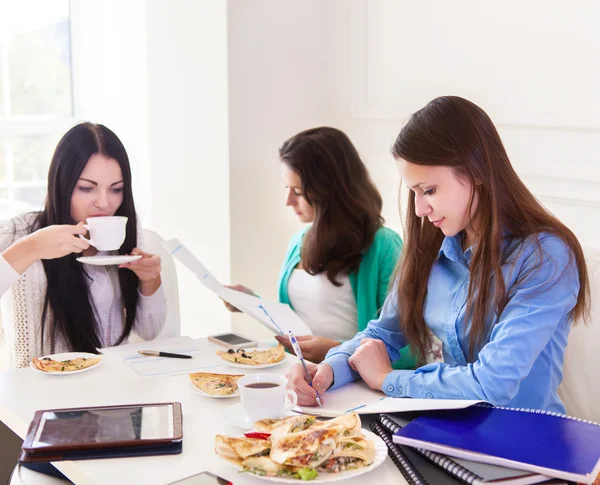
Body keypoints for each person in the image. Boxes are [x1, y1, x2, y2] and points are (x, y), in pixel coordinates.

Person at [287, 97, 589, 413]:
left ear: (477, 173)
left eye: (429, 190)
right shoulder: (432, 245)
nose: (419, 209)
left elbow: (494, 382)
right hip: (449, 426)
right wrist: (328, 370)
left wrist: (389, 379)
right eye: (414, 192)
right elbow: (382, 333)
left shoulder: (546, 257)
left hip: (523, 440)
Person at [225, 127, 415, 366]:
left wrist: (337, 351)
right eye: (287, 189)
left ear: (329, 191)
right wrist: (252, 302)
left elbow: (409, 351)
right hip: (297, 371)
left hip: (349, 382)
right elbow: (301, 319)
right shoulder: (298, 241)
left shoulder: (384, 246)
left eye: (298, 191)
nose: (288, 201)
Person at [0, 122, 167, 369]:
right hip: (40, 396)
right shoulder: (18, 232)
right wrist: (31, 248)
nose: (104, 203)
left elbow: (150, 332)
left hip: (114, 389)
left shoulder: (127, 233)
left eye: (116, 189)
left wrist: (150, 280)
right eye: (87, 188)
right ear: (61, 185)